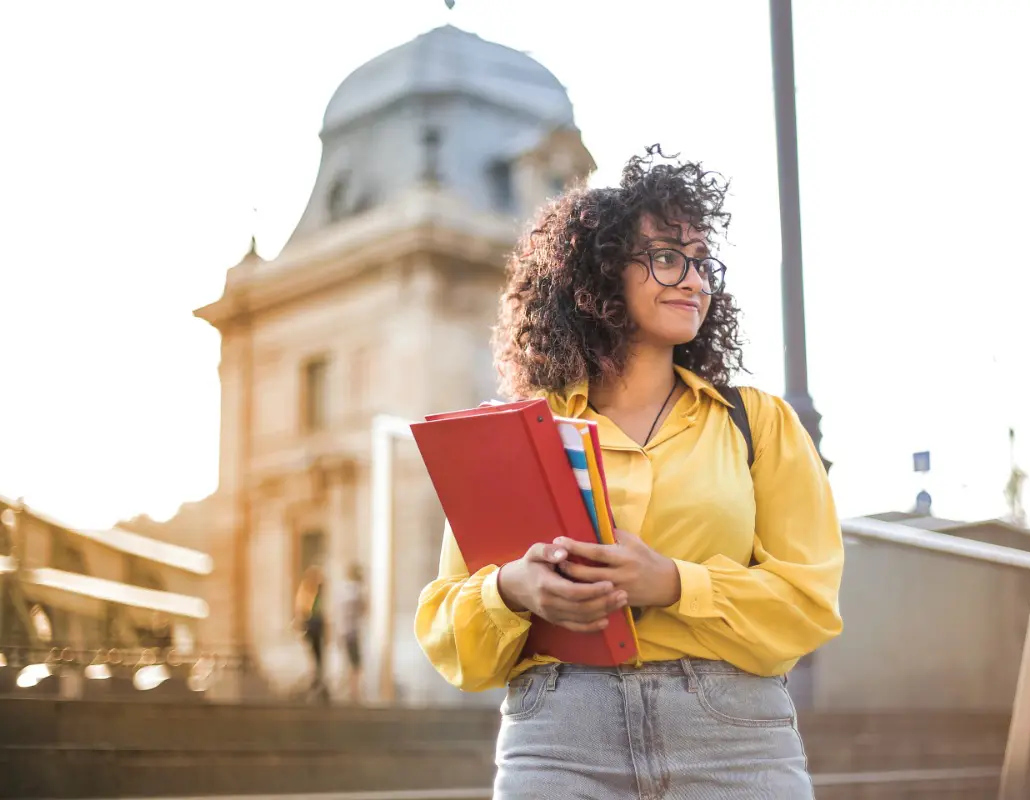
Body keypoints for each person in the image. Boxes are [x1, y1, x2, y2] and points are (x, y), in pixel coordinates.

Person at [415, 146, 844, 799]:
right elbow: (449, 629)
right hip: (559, 738)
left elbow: (809, 605)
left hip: (732, 737)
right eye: (668, 257)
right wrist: (512, 590)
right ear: (600, 273)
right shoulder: (521, 434)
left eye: (703, 263)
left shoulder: (759, 424)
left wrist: (673, 583)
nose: (695, 279)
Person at [294, 565, 328, 702]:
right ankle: (315, 677)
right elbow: (303, 609)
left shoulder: (316, 591)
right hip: (312, 624)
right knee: (315, 653)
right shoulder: (308, 590)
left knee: (317, 653)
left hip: (316, 624)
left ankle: (316, 677)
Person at [340, 563, 368, 703]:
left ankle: (352, 691)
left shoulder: (344, 589)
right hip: (352, 631)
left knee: (352, 663)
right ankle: (354, 692)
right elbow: (363, 608)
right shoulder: (356, 591)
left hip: (345, 631)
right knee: (355, 664)